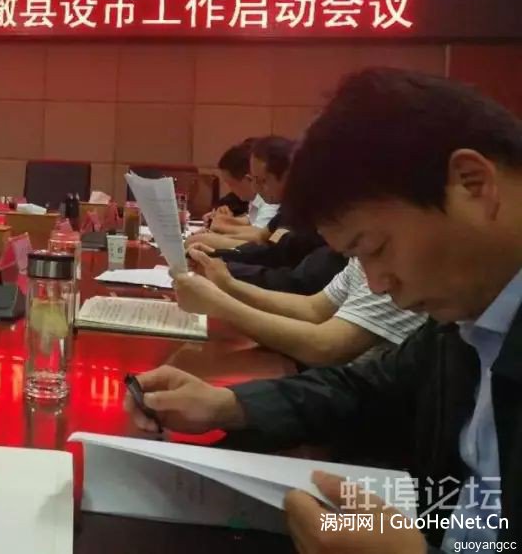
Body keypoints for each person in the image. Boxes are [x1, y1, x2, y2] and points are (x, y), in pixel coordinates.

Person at [126, 68, 522, 551]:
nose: (377, 284)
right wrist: (226, 405)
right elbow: (367, 387)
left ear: (472, 184)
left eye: (376, 249)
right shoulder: (469, 317)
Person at [178, 250, 424, 366]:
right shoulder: (362, 253)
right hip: (335, 389)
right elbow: (314, 309)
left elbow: (326, 347)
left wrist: (219, 304)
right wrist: (229, 285)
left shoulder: (402, 265)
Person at [189, 136, 294, 251]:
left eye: (262, 180)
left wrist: (210, 238)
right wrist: (218, 230)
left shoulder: (283, 207)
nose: (255, 187)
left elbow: (264, 249)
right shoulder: (283, 211)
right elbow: (260, 237)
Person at [206, 139, 256, 225]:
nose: (231, 189)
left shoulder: (270, 202)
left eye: (231, 184)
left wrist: (223, 223)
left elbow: (258, 232)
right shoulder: (252, 201)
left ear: (248, 179)